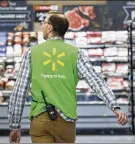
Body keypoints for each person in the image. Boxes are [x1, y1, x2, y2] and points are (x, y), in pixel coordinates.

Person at [8, 12, 128, 143]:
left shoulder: (32, 53)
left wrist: (14, 125)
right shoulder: (75, 53)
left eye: (44, 24)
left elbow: (19, 91)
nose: (42, 27)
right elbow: (96, 81)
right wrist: (114, 106)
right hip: (65, 120)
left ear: (50, 28)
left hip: (40, 119)